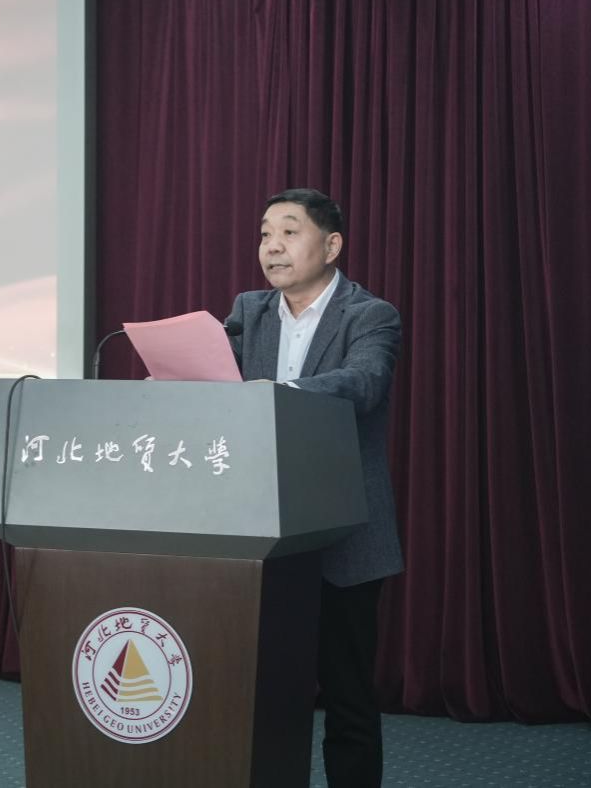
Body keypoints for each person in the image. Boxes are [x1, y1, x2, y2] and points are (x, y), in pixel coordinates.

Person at [226, 188, 403, 788]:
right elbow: (219, 383)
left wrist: (283, 393)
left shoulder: (369, 315)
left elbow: (365, 382)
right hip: (260, 531)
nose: (271, 246)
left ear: (331, 246)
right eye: (264, 233)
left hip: (343, 533)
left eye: (289, 232)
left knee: (348, 696)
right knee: (261, 691)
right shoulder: (248, 312)